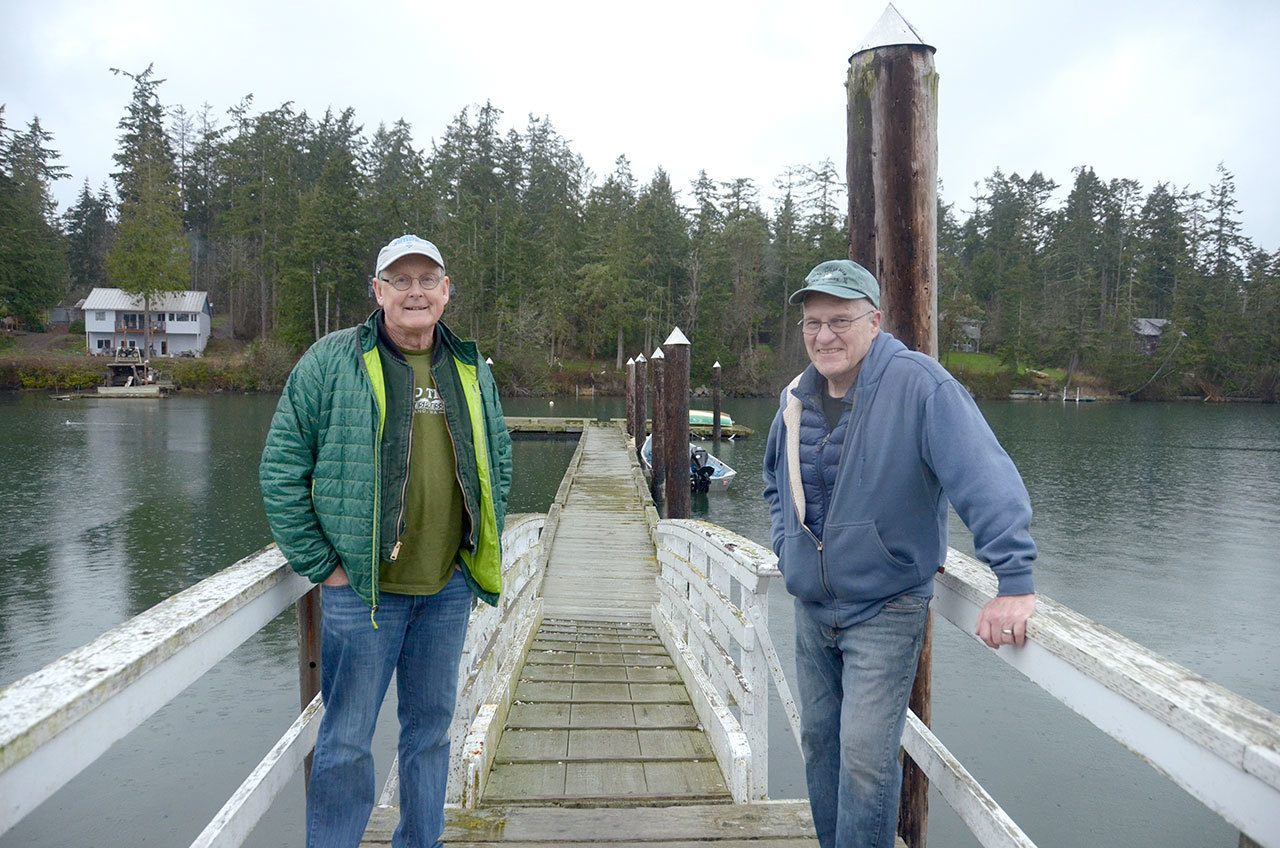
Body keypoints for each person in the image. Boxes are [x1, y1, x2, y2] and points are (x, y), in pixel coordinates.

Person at [763, 259, 1036, 848]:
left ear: (875, 321)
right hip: (812, 608)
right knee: (820, 746)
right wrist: (789, 552)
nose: (824, 335)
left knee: (866, 759)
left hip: (885, 610)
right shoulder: (795, 396)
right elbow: (774, 482)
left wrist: (1013, 580)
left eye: (840, 320)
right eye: (813, 323)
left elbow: (983, 477)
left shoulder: (921, 386)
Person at [260, 234, 513, 848]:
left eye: (428, 279)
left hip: (446, 589)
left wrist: (478, 543)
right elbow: (281, 467)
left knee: (429, 735)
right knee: (345, 740)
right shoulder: (331, 361)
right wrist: (324, 565)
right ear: (377, 292)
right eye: (401, 280)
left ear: (447, 291)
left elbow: (498, 459)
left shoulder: (469, 367)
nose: (416, 291)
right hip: (362, 596)